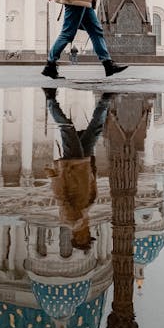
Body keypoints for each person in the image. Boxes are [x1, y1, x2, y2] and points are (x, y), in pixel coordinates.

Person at [43, 87, 110, 251]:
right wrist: (93, 164)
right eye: (89, 235)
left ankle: (50, 99)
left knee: (67, 128)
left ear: (78, 237)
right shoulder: (84, 216)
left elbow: (61, 196)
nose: (88, 233)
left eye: (86, 237)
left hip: (72, 164)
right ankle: (106, 100)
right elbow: (90, 184)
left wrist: (55, 175)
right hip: (84, 162)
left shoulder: (72, 219)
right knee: (95, 129)